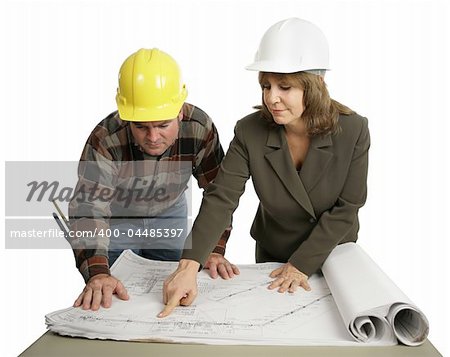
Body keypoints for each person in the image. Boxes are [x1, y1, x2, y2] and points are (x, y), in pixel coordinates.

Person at [159, 18, 370, 317]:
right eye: (266, 85)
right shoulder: (250, 131)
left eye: (285, 86)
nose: (272, 98)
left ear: (316, 85)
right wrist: (188, 266)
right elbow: (221, 198)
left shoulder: (353, 129)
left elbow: (348, 207)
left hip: (334, 255)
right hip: (274, 254)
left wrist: (300, 265)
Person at [68, 48, 239, 311]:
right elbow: (89, 208)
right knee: (113, 299)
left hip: (169, 213)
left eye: (162, 125)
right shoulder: (106, 138)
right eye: (141, 126)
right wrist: (98, 273)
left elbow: (219, 194)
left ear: (180, 112)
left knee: (175, 293)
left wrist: (214, 249)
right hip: (117, 219)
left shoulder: (199, 127)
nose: (153, 137)